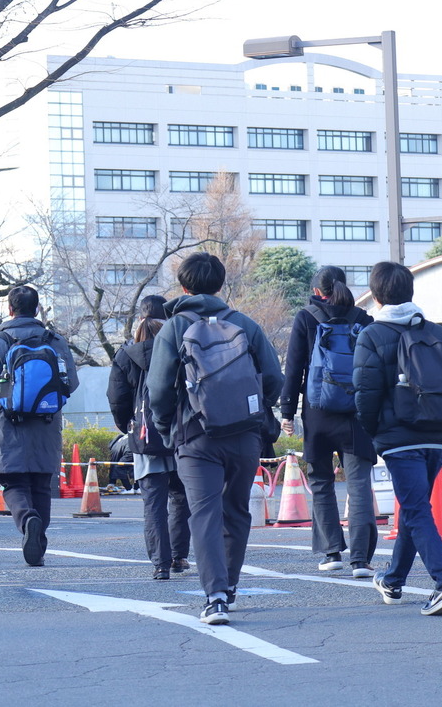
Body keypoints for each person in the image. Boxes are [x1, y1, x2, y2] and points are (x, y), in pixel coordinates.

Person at [147, 253, 283, 625]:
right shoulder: (245, 324)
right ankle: (231, 585)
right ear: (220, 284)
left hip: (195, 436)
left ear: (183, 286)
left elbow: (158, 389)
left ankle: (216, 596)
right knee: (236, 509)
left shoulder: (174, 327)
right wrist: (253, 408)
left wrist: (167, 428)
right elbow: (274, 379)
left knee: (204, 513)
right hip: (245, 434)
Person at [354, 261, 442, 617]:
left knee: (417, 509)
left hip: (400, 439)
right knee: (413, 505)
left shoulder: (372, 335)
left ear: (376, 297)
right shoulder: (441, 335)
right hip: (438, 438)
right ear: (410, 292)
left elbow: (365, 393)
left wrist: (375, 432)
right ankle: (393, 580)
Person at [0, 285, 78, 566]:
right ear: (37, 309)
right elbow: (72, 383)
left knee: (14, 482)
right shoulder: (54, 340)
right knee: (41, 485)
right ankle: (38, 548)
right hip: (46, 423)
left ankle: (28, 520)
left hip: (8, 424)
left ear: (10, 309)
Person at [279, 266, 377, 578]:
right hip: (355, 413)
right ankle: (360, 560)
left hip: (317, 411)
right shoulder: (363, 320)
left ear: (317, 291)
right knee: (358, 484)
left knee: (321, 481)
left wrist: (286, 412)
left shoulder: (306, 318)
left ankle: (332, 552)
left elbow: (294, 369)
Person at [108, 295, 190, 580]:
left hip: (145, 436)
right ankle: (179, 556)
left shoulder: (126, 354)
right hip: (181, 433)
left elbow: (117, 397)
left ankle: (160, 564)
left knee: (153, 501)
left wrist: (127, 427)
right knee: (181, 497)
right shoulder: (179, 346)